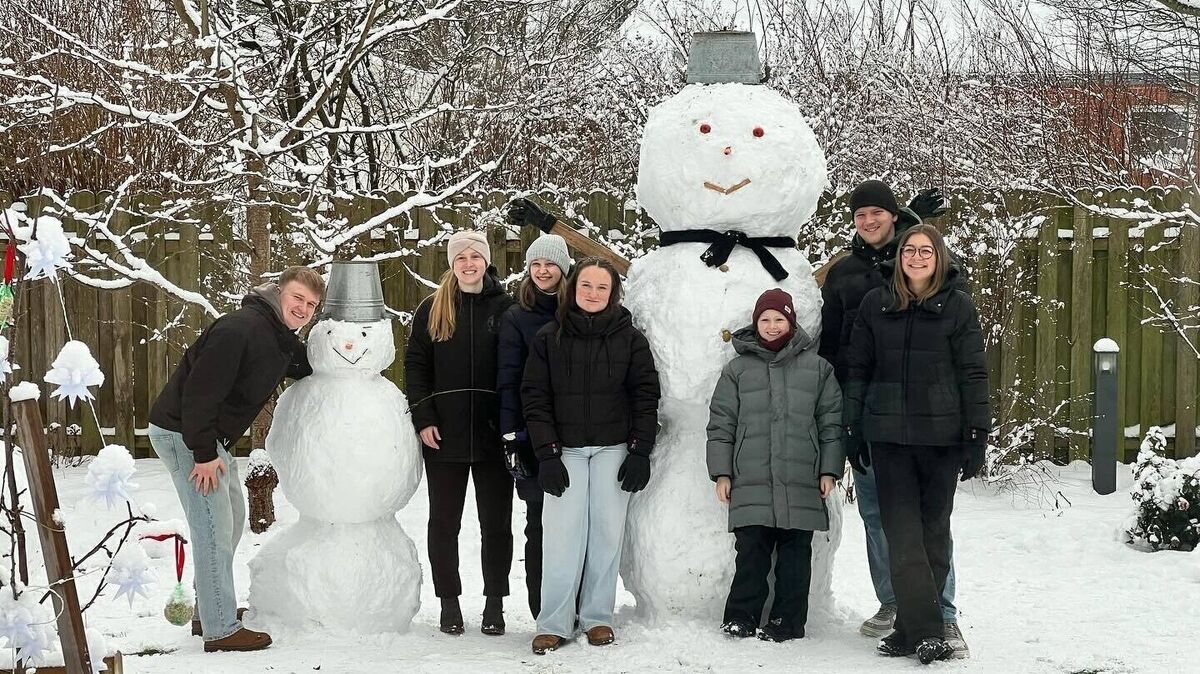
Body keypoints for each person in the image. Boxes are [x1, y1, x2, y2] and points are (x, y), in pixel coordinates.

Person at [817, 180, 971, 657]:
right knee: (875, 512)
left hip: (925, 416)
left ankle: (941, 615)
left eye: (877, 213)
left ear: (891, 215)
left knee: (929, 520)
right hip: (869, 412)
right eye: (860, 215)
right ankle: (894, 602)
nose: (868, 221)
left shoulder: (923, 260)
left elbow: (953, 322)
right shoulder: (843, 274)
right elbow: (833, 345)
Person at [147, 266, 324, 652]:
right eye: (298, 298)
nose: (303, 308)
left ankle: (208, 610)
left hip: (209, 438)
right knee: (212, 526)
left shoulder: (278, 335)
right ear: (278, 292)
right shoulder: (239, 329)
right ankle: (220, 629)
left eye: (311, 304)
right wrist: (204, 454)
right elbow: (200, 393)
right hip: (186, 435)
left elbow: (304, 365)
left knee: (229, 522)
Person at [841, 224, 990, 665]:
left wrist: (977, 434)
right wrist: (853, 429)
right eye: (911, 249)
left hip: (941, 439)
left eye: (927, 251)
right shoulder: (876, 303)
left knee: (933, 533)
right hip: (888, 439)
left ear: (939, 258)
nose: (918, 257)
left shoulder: (958, 306)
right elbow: (858, 370)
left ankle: (911, 627)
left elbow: (974, 373)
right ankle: (927, 630)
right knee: (901, 532)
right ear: (900, 256)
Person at [521, 258, 661, 655]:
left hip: (613, 449)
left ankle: (598, 617)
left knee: (606, 534)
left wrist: (639, 450)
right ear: (573, 288)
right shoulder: (549, 338)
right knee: (562, 537)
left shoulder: (631, 340)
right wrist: (546, 454)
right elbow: (535, 398)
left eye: (602, 287)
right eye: (587, 286)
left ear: (613, 293)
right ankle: (553, 622)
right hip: (563, 451)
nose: (593, 294)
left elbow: (645, 396)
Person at [706, 289, 844, 642]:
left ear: (791, 322)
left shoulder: (818, 369)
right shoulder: (736, 370)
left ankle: (788, 621)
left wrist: (828, 470)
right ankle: (741, 616)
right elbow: (721, 423)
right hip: (751, 478)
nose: (771, 326)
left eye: (778, 319)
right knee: (751, 552)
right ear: (755, 324)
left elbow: (831, 423)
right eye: (764, 319)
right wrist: (722, 472)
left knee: (795, 557)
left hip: (801, 478)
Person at [404, 230, 515, 636]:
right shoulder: (432, 309)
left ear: (487, 261)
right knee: (444, 522)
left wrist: (512, 424)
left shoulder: (507, 309)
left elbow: (519, 370)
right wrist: (424, 417)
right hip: (444, 434)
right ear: (451, 263)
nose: (469, 263)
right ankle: (448, 602)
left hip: (493, 435)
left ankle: (495, 603)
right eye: (461, 257)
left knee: (496, 524)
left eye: (476, 256)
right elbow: (415, 366)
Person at [496, 234, 572, 618]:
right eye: (536, 264)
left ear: (564, 268)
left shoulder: (576, 310)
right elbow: (508, 380)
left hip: (576, 433)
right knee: (539, 524)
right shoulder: (516, 316)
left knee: (573, 526)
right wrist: (511, 437)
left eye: (551, 264)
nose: (543, 271)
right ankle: (543, 610)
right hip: (531, 435)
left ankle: (575, 605)